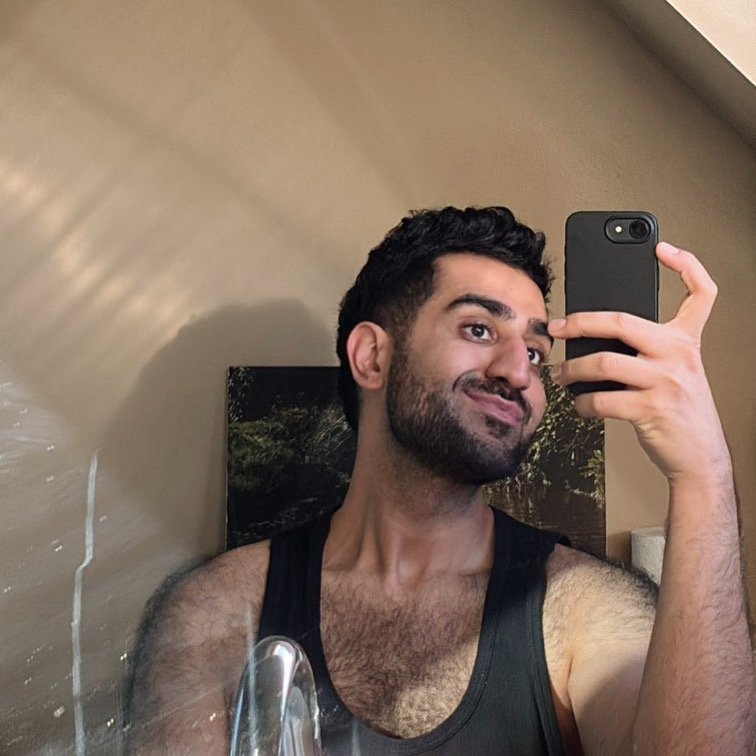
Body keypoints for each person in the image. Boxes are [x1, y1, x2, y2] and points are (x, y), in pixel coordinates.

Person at [125, 206, 755, 754]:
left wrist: (702, 476)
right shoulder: (217, 612)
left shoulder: (583, 609)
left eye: (535, 352)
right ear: (372, 356)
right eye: (479, 329)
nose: (519, 372)